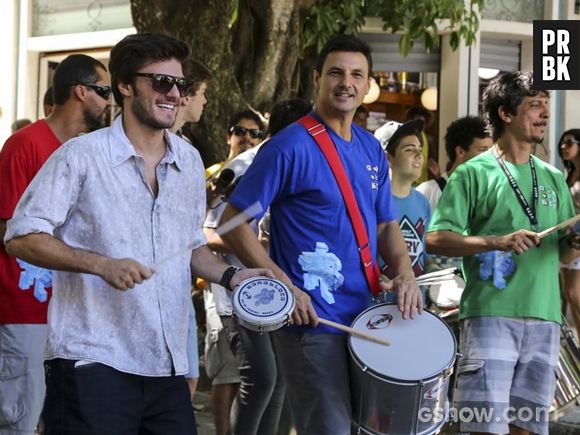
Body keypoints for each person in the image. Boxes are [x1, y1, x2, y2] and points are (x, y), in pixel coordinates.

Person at [4, 32, 272, 435]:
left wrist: (234, 277)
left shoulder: (189, 159)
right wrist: (100, 265)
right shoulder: (80, 156)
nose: (174, 94)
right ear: (125, 86)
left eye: (180, 85)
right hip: (91, 362)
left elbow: (190, 248)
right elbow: (21, 235)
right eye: (161, 82)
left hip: (164, 367)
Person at [219, 35, 422, 434]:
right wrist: (283, 285)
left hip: (366, 318)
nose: (346, 82)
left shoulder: (370, 149)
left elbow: (385, 224)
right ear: (316, 78)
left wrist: (404, 271)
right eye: (335, 72)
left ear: (367, 85)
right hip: (311, 322)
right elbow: (231, 223)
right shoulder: (287, 146)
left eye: (356, 75)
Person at [426, 71, 580, 435]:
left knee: (524, 429)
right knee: (484, 428)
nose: (544, 114)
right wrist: (497, 241)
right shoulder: (472, 173)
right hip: (490, 315)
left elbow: (561, 253)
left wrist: (573, 243)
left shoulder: (554, 177)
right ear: (505, 113)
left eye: (546, 105)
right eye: (535, 106)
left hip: (545, 318)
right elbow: (436, 238)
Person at [0, 53, 109, 435]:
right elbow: (8, 230)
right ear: (81, 92)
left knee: (58, 418)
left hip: (69, 312)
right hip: (23, 307)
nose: (110, 101)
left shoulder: (83, 152)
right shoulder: (24, 144)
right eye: (104, 91)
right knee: (19, 419)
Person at [204, 98, 311, 435]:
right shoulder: (244, 166)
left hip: (281, 289)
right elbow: (207, 231)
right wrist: (257, 249)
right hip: (241, 290)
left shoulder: (301, 160)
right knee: (261, 377)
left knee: (278, 379)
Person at [202, 108, 268, 435]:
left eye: (255, 134)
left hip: (260, 294)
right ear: (229, 135)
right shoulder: (216, 175)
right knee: (228, 373)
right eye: (241, 131)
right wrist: (248, 243)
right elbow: (200, 233)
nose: (247, 138)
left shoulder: (264, 173)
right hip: (223, 291)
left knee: (264, 379)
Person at [169, 56, 213, 403]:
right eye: (202, 93)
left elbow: (191, 232)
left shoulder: (188, 154)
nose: (205, 101)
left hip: (179, 287)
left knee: (187, 382)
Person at [374, 119, 432, 283]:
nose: (419, 155)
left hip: (414, 304)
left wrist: (434, 270)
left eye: (419, 149)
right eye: (409, 149)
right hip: (379, 304)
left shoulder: (423, 202)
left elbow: (424, 255)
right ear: (387, 157)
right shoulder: (372, 200)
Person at [417, 115, 492, 211]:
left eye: (491, 151)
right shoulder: (428, 192)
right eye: (483, 150)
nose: (490, 156)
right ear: (460, 151)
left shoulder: (490, 194)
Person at [558, 128, 580, 343]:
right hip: (567, 237)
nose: (564, 146)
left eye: (569, 142)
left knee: (574, 294)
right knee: (567, 295)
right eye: (562, 143)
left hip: (577, 240)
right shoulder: (569, 174)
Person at [205, 110, 265, 180]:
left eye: (254, 133)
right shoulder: (210, 172)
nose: (247, 137)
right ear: (228, 138)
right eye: (240, 131)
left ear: (260, 141)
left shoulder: (262, 174)